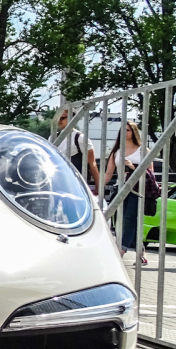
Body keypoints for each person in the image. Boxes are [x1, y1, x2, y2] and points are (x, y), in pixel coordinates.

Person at [102, 121, 151, 264]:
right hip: (121, 188)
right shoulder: (117, 152)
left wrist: (132, 166)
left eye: (128, 130)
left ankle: (121, 251)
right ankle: (140, 250)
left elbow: (150, 173)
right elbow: (108, 174)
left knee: (130, 219)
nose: (125, 133)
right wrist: (97, 189)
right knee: (122, 221)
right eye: (123, 130)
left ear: (134, 132)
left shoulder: (143, 150)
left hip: (137, 189)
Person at [55, 107, 100, 194]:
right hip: (57, 180)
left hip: (75, 182)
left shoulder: (80, 138)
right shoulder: (53, 138)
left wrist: (98, 187)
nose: (59, 121)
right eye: (58, 118)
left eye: (63, 118)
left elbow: (92, 163)